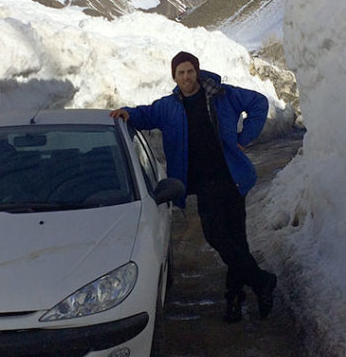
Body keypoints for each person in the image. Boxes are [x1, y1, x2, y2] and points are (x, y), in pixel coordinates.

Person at [110, 51, 277, 322]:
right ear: (174, 77)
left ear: (196, 72)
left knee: (237, 242)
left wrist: (245, 136)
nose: (186, 77)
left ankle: (234, 300)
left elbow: (258, 103)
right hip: (204, 183)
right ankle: (261, 282)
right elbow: (145, 114)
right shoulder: (169, 107)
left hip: (232, 178)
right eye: (180, 73)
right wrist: (125, 114)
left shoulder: (223, 95)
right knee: (216, 236)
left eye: (189, 71)